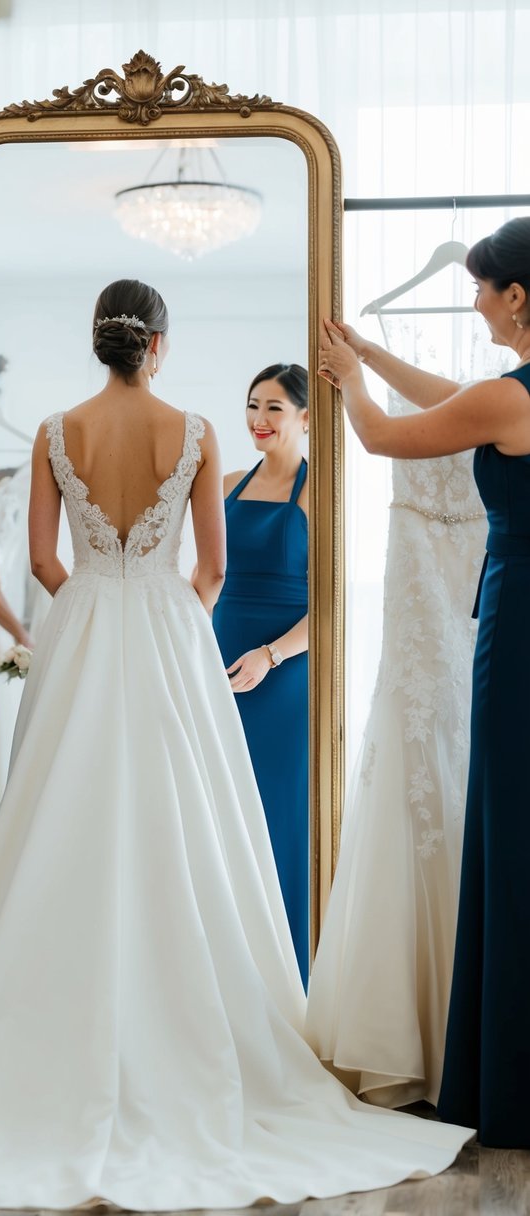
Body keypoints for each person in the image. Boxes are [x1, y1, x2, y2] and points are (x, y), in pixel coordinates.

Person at [0, 283, 471, 1209]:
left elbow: (41, 561)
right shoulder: (200, 431)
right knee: (186, 820)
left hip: (84, 620)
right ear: (158, 347)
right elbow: (210, 567)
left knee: (59, 813)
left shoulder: (53, 430)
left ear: (100, 346)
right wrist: (165, 611)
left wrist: (96, 591)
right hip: (166, 627)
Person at [317, 216, 530, 1147]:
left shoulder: (511, 399)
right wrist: (374, 348)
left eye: (483, 287)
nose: (474, 300)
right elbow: (459, 398)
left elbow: (387, 439)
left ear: (515, 296)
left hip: (520, 621)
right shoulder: (507, 396)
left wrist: (351, 383)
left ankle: (510, 1078)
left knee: (511, 827)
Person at [210, 364, 310, 984]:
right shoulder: (225, 485)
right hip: (219, 659)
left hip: (285, 671)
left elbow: (331, 607)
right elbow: (206, 579)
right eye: (252, 406)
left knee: (279, 815)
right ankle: (225, 971)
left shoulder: (318, 490)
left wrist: (270, 655)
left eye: (274, 408)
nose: (259, 421)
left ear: (305, 416)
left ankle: (284, 973)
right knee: (220, 817)